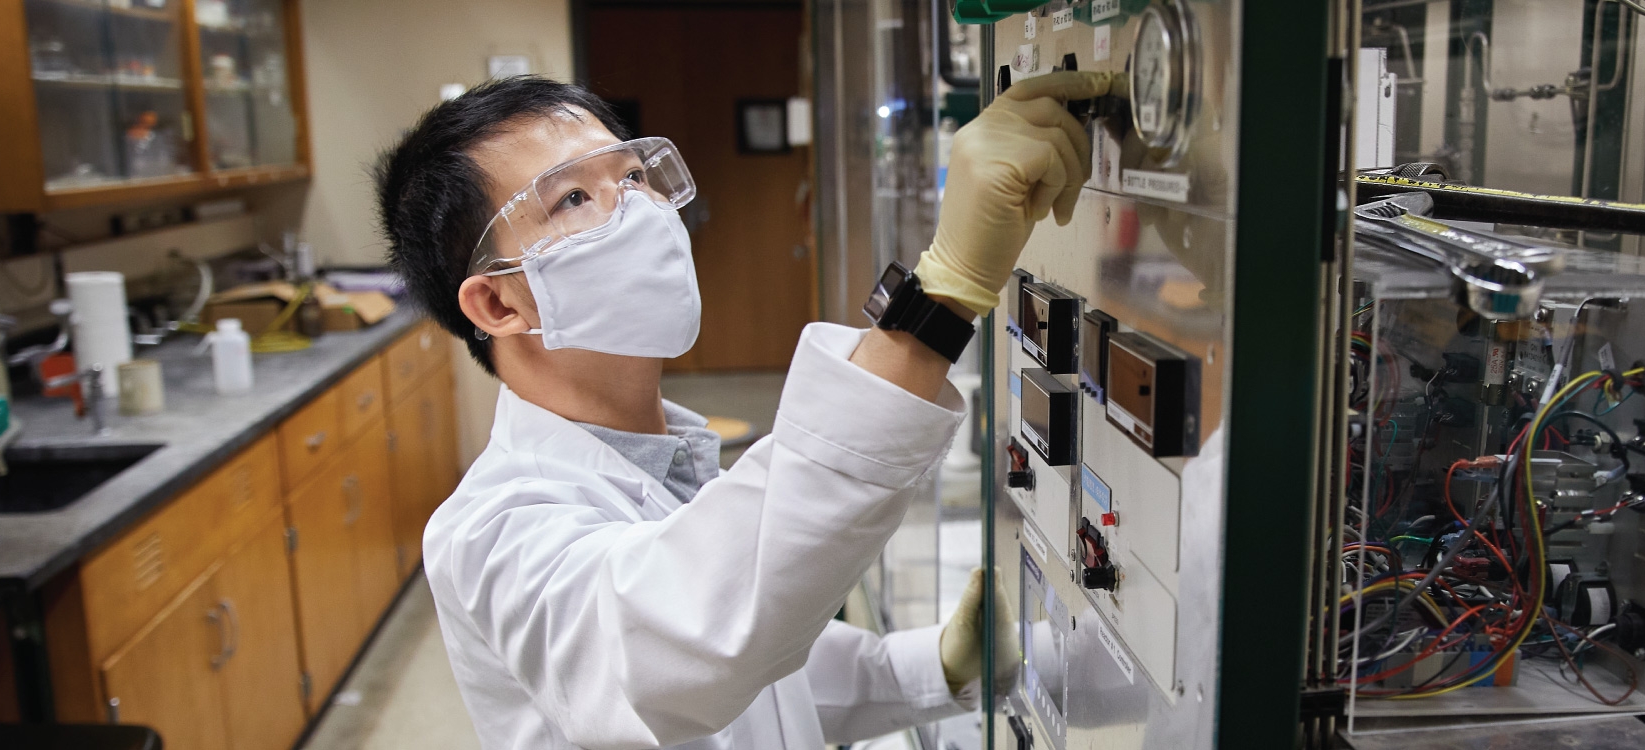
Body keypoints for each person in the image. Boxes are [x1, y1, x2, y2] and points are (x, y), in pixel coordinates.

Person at [373, 70, 1107, 750]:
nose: (638, 211)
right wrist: (938, 300)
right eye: (573, 198)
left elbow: (771, 678)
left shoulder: (665, 466)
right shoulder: (491, 534)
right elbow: (688, 647)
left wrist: (936, 669)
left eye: (633, 176)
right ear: (498, 302)